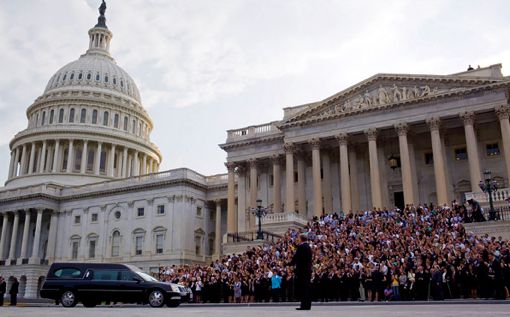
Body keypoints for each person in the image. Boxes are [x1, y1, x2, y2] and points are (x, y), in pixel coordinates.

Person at [288, 233, 312, 310]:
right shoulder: (308, 247)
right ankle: (307, 305)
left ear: (301, 239)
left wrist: (289, 264)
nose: (297, 239)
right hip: (308, 271)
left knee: (303, 288)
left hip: (302, 271)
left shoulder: (301, 247)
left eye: (298, 238)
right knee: (307, 288)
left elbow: (296, 258)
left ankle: (303, 306)